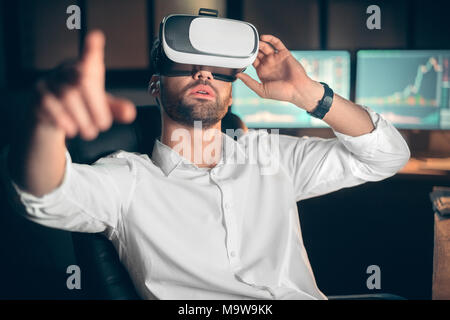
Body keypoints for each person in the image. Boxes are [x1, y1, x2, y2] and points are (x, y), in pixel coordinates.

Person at [5, 27, 410, 300]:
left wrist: (310, 96)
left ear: (231, 93)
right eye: (183, 62)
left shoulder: (273, 157)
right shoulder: (127, 179)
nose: (203, 71)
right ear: (155, 85)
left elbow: (387, 156)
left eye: (219, 68)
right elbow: (43, 196)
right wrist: (45, 122)